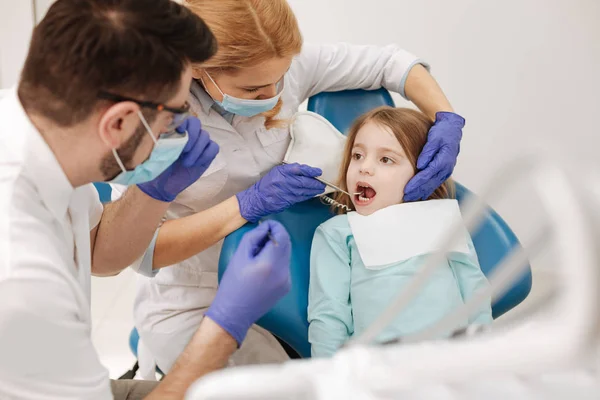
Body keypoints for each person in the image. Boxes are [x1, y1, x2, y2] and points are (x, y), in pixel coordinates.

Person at [115, 0, 468, 373]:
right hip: (194, 298)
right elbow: (137, 249)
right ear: (201, 68)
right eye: (253, 89)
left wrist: (445, 116)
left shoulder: (284, 67)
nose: (272, 95)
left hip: (286, 276)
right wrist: (245, 204)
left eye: (279, 80)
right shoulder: (155, 119)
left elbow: (391, 63)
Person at [0, 1, 292, 399]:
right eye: (173, 117)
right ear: (118, 123)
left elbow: (100, 252)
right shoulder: (22, 277)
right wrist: (226, 324)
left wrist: (155, 190)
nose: (183, 129)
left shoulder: (34, 131)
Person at [307, 107, 492, 357]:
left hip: (452, 361)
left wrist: (485, 353)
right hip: (381, 368)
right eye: (358, 155)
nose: (364, 168)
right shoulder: (338, 233)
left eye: (386, 159)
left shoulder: (442, 220)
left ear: (423, 174)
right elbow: (328, 316)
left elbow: (474, 290)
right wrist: (330, 378)